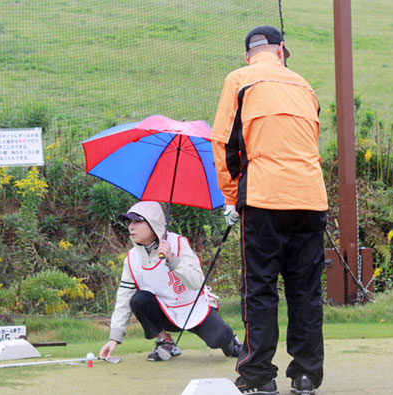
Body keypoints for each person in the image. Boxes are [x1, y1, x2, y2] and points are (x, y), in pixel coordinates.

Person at [211, 25, 329, 395]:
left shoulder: (240, 79)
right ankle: (307, 374)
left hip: (264, 200)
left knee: (260, 290)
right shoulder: (305, 86)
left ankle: (259, 376)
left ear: (249, 55)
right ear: (282, 51)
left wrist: (231, 198)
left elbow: (225, 144)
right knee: (305, 292)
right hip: (311, 199)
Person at [98, 201, 242, 362]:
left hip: (194, 307)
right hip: (165, 312)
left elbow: (196, 282)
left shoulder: (178, 243)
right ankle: (164, 341)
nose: (131, 227)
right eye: (129, 222)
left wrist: (172, 259)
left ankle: (231, 341)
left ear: (154, 223)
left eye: (138, 221)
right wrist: (114, 339)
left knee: (219, 338)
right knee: (138, 299)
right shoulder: (132, 259)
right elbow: (124, 300)